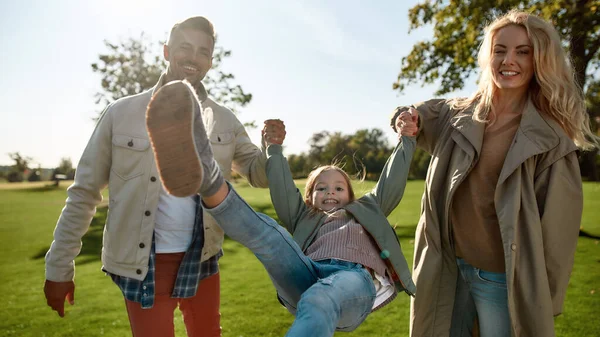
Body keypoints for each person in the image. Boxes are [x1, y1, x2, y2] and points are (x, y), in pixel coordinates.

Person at [43, 16, 272, 337]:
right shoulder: (120, 113)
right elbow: (84, 193)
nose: (193, 57)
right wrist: (58, 268)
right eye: (185, 48)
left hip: (202, 257)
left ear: (210, 60)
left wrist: (271, 148)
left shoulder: (224, 119)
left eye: (203, 51)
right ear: (166, 51)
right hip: (142, 264)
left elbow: (259, 175)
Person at [145, 80, 417, 337]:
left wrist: (406, 139)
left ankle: (207, 175)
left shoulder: (368, 208)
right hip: (303, 273)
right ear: (310, 196)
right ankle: (207, 178)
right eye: (320, 188)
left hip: (353, 281)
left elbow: (391, 181)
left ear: (350, 193)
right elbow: (282, 187)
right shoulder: (305, 216)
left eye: (338, 188)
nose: (329, 192)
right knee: (269, 233)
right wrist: (273, 149)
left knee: (318, 298)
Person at [391, 10, 599, 337]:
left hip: (503, 281)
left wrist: (545, 300)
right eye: (500, 50)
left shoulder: (551, 140)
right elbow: (415, 116)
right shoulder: (456, 114)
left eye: (522, 51)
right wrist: (404, 119)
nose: (508, 60)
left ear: (539, 60)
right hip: (446, 271)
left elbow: (557, 235)